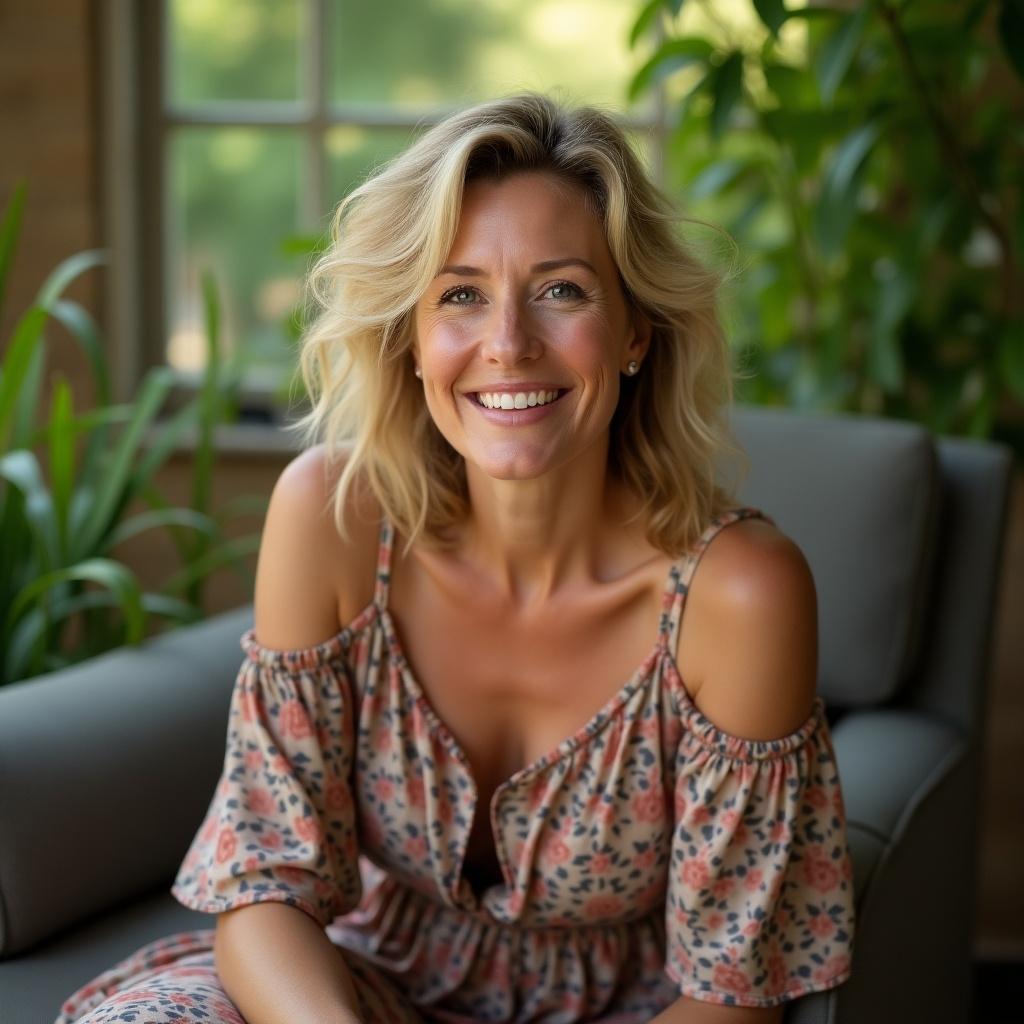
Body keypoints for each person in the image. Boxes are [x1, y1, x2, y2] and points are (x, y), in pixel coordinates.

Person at [56, 92, 854, 1024]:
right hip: (356, 988)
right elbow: (265, 880)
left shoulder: (740, 593)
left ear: (636, 331)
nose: (507, 346)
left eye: (562, 290)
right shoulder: (335, 516)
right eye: (461, 295)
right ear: (414, 337)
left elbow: (733, 986)